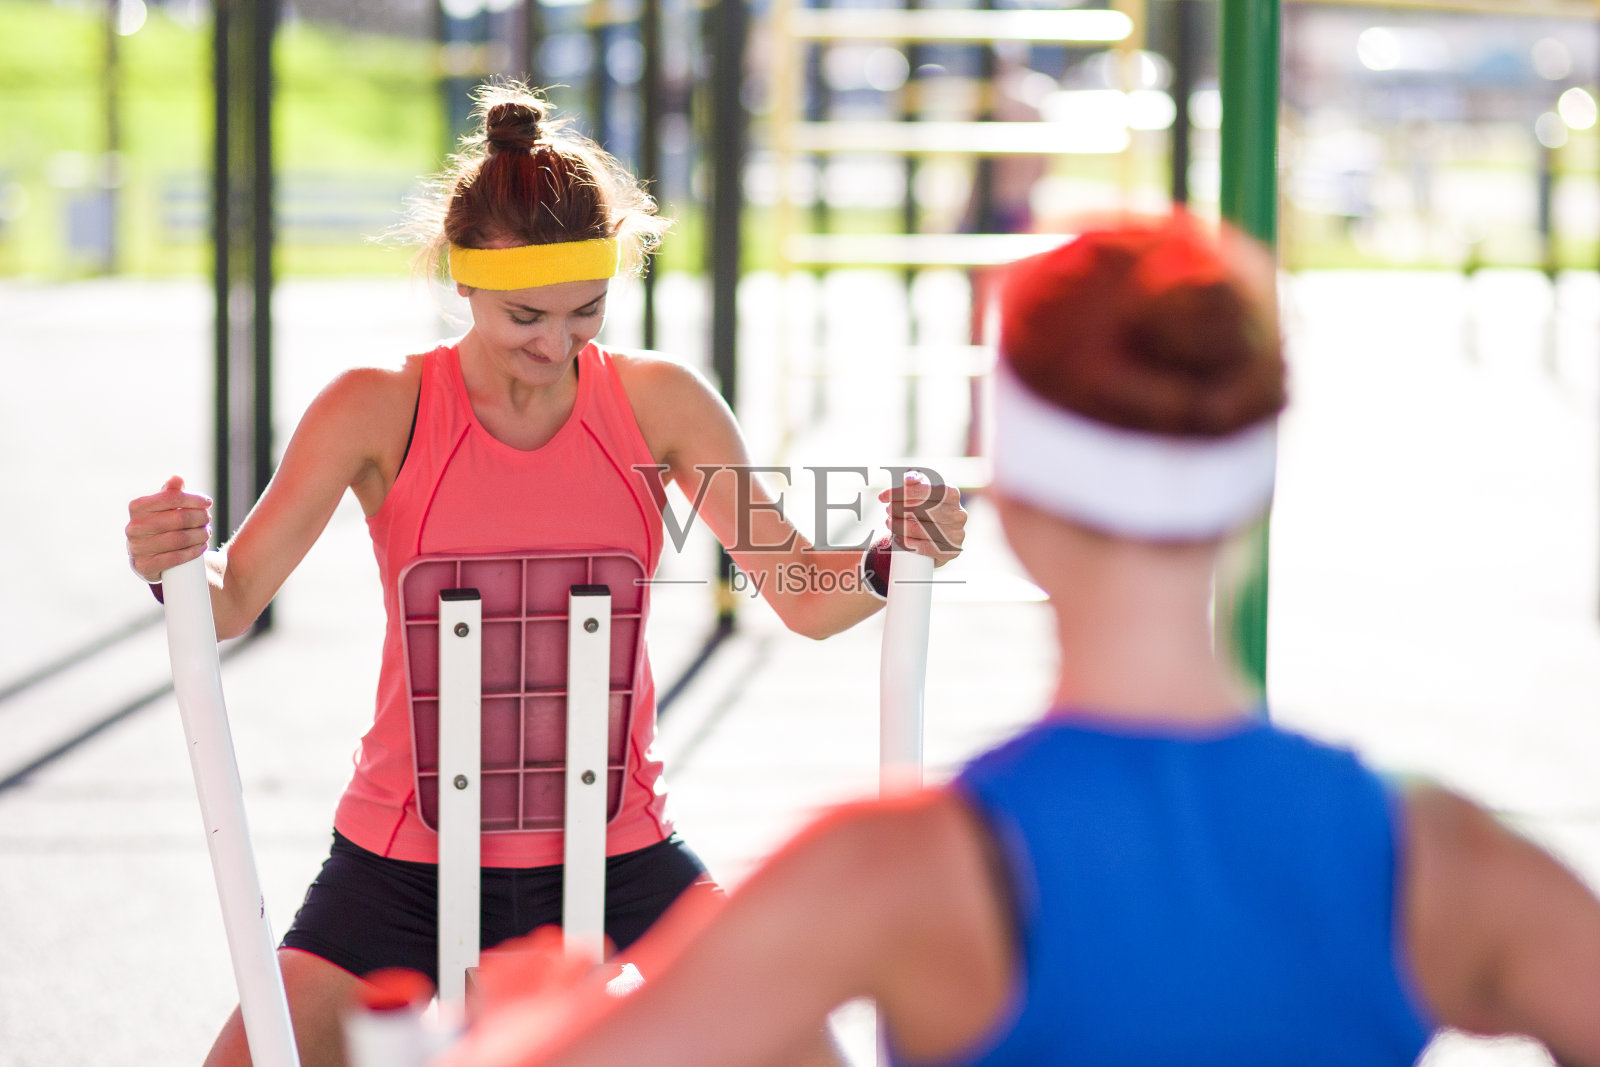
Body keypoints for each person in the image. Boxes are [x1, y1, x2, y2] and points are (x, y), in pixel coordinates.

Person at [437, 214, 1600, 1067]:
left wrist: (529, 1009)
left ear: (1022, 502)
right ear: (1249, 498)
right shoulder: (1445, 855)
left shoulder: (889, 870)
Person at [123, 81, 966, 1067]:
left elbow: (804, 597)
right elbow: (227, 598)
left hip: (619, 844)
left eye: (587, 312)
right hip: (406, 854)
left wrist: (888, 555)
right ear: (461, 278)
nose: (557, 345)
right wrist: (172, 560)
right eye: (527, 314)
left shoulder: (660, 402)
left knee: (797, 1043)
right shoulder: (376, 406)